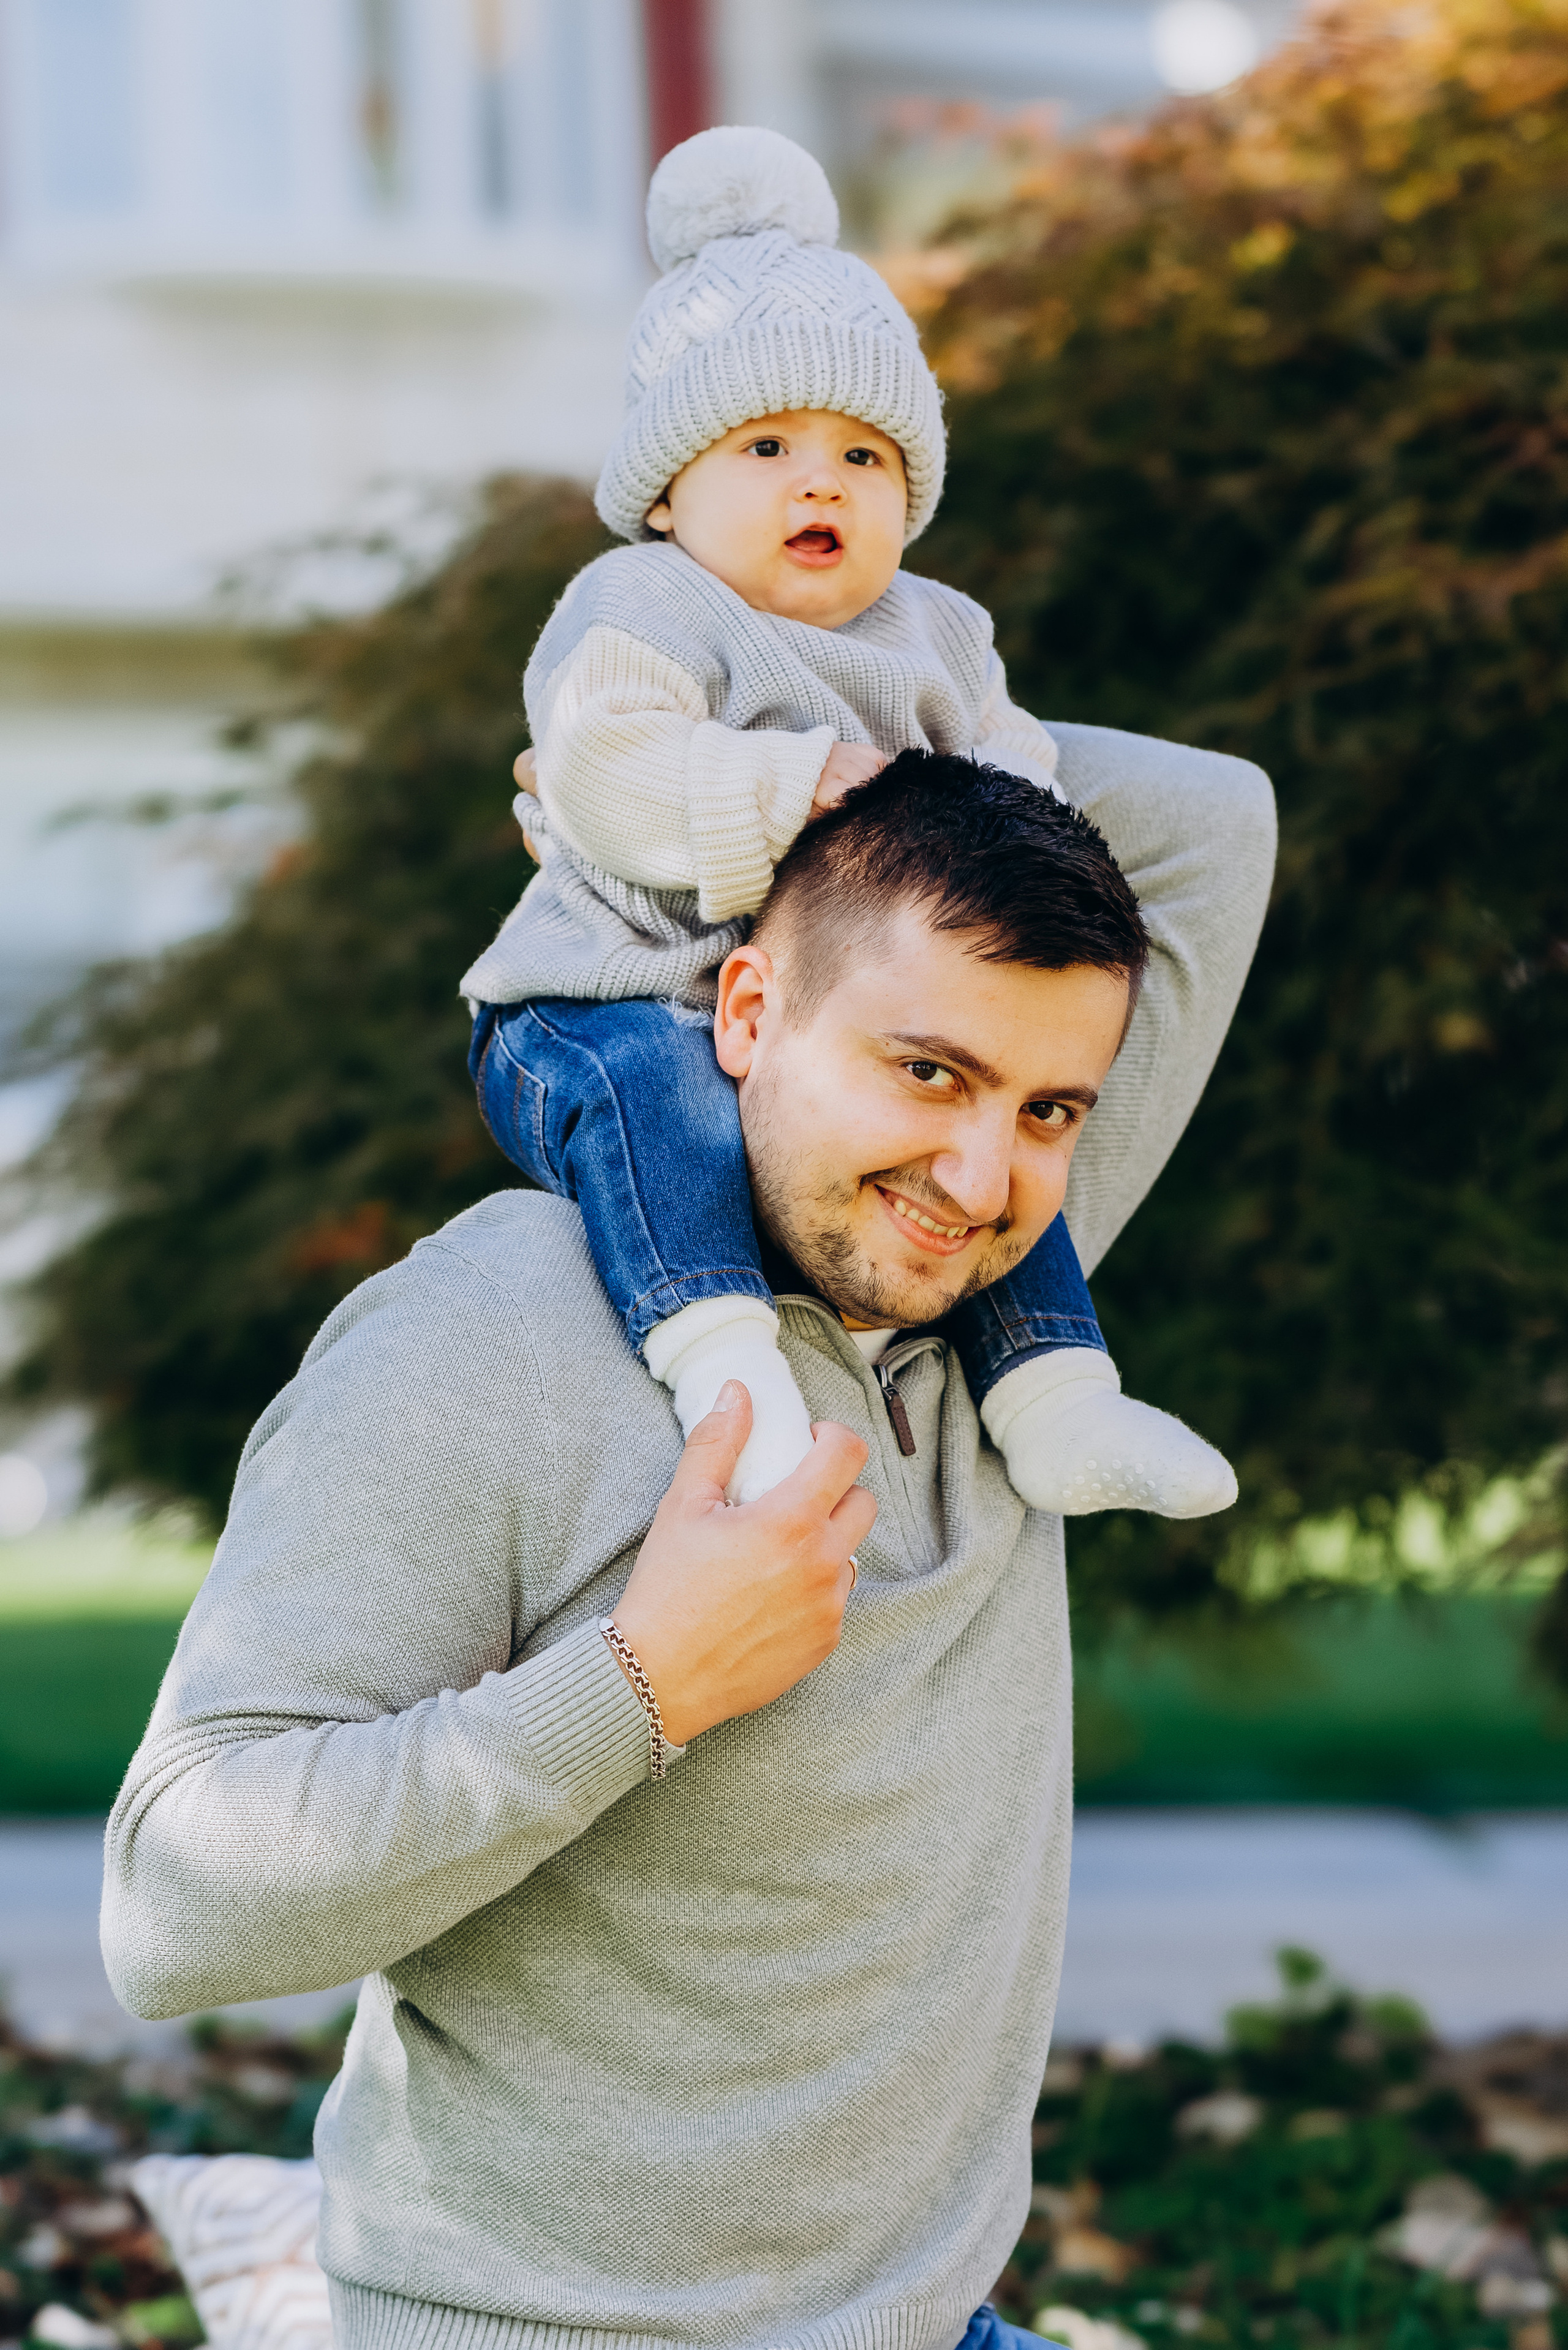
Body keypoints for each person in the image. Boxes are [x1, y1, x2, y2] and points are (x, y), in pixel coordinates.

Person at [102, 740, 1275, 2350]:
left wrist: (764, 751)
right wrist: (640, 1684)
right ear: (743, 1012)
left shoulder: (995, 1305)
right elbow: (177, 1904)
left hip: (926, 2322)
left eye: (1052, 1105)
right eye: (925, 1070)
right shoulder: (501, 1325)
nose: (985, 1173)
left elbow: (1215, 822)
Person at [462, 122, 1236, 1520]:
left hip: (836, 1018)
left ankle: (1056, 1395)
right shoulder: (642, 606)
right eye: (764, 444)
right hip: (604, 995)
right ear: (666, 489)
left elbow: (1018, 783)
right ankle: (727, 1378)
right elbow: (599, 763)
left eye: (866, 455)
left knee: (994, 1157)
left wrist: (1001, 836)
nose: (819, 480)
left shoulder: (936, 634)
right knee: (666, 1108)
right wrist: (789, 792)